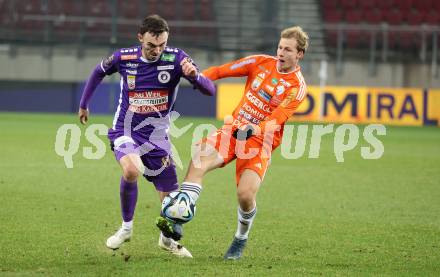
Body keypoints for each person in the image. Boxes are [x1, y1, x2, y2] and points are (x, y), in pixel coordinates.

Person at [157, 26, 309, 260]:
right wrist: (197, 78)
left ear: (299, 54)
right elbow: (221, 71)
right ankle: (177, 220)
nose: (281, 52)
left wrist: (254, 128)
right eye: (280, 47)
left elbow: (277, 119)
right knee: (199, 159)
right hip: (233, 129)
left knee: (245, 195)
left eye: (287, 49)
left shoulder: (297, 87)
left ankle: (240, 237)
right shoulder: (260, 62)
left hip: (260, 141)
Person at [78, 14, 216, 258]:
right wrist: (84, 103)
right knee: (132, 170)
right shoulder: (124, 57)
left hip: (157, 139)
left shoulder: (177, 59)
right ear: (140, 38)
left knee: (171, 204)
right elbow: (98, 72)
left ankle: (166, 241)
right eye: (152, 45)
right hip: (125, 130)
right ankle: (126, 228)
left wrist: (194, 76)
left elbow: (210, 90)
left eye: (162, 45)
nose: (157, 50)